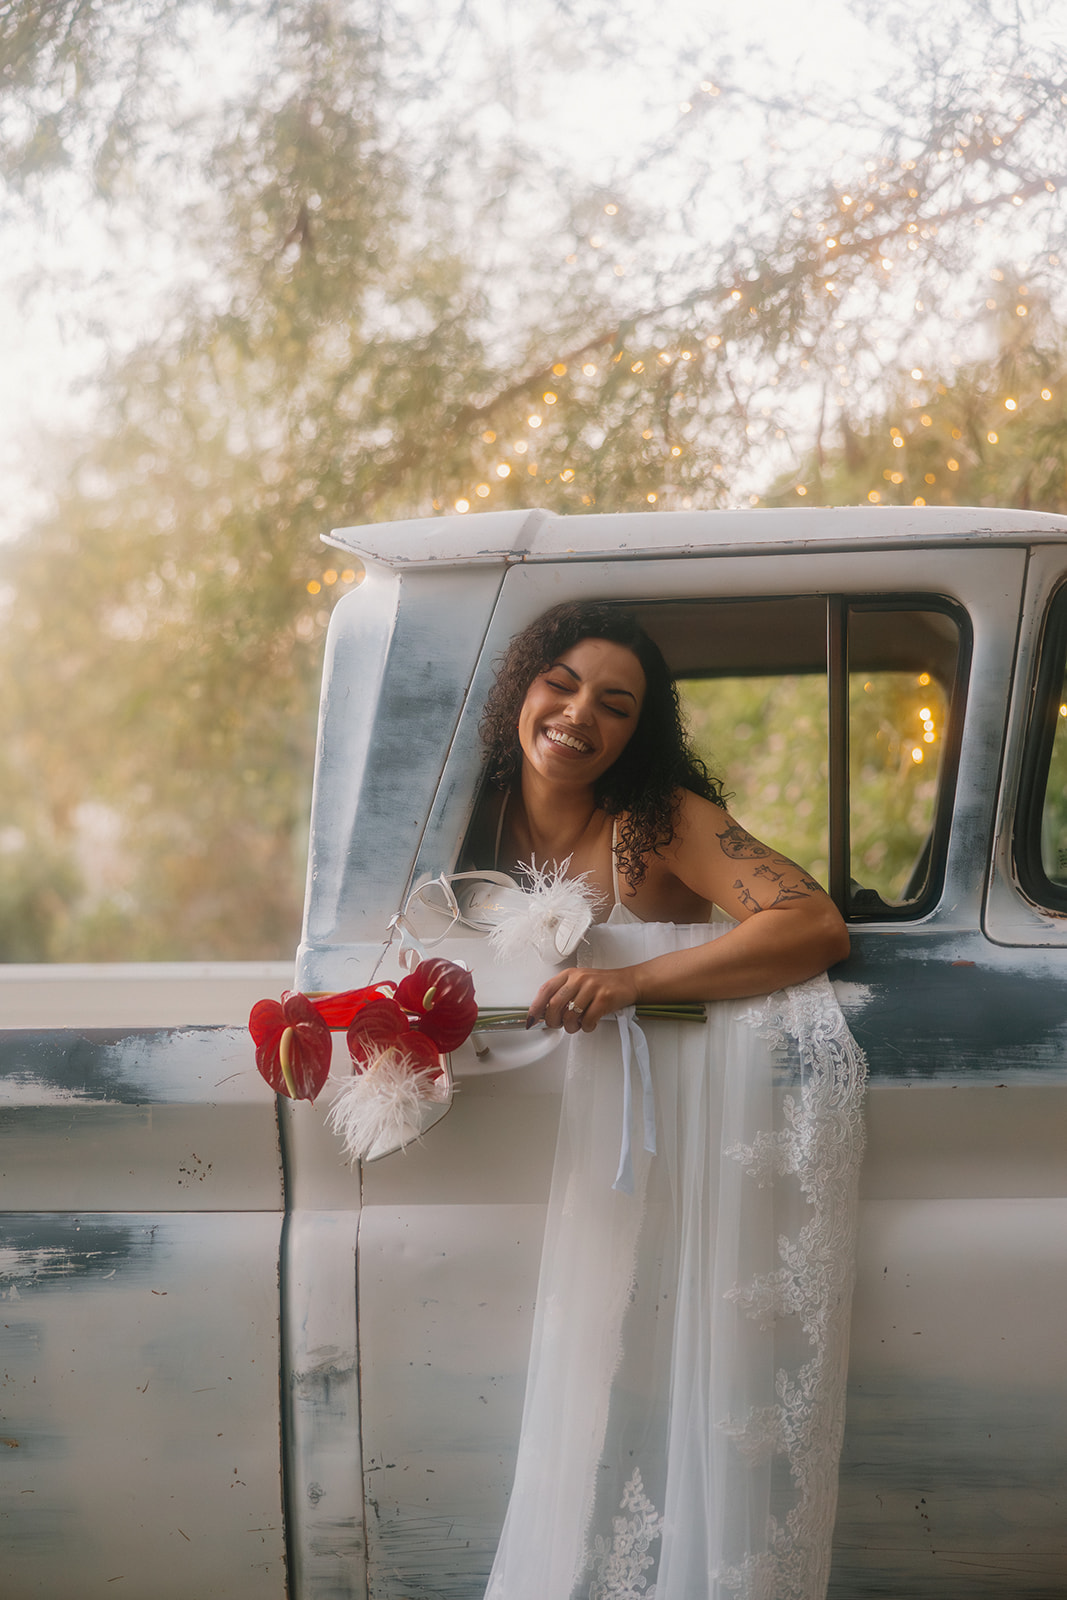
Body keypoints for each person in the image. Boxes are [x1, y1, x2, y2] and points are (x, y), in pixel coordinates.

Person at [472, 601, 866, 1600]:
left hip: (664, 1149)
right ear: (521, 687)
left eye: (614, 704)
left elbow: (811, 923)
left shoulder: (656, 820)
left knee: (652, 1398)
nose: (578, 715)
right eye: (560, 683)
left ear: (636, 731)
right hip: (514, 1148)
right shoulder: (463, 814)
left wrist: (634, 981)